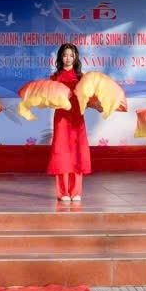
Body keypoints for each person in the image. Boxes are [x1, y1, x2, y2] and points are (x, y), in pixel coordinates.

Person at [48, 42, 90, 202]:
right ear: (60, 57)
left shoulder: (81, 77)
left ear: (75, 57)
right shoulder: (54, 77)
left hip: (77, 118)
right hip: (61, 118)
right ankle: (63, 192)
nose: (68, 58)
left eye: (71, 55)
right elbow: (49, 98)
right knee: (61, 152)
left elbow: (87, 98)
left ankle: (76, 191)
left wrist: (97, 105)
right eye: (65, 55)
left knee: (77, 152)